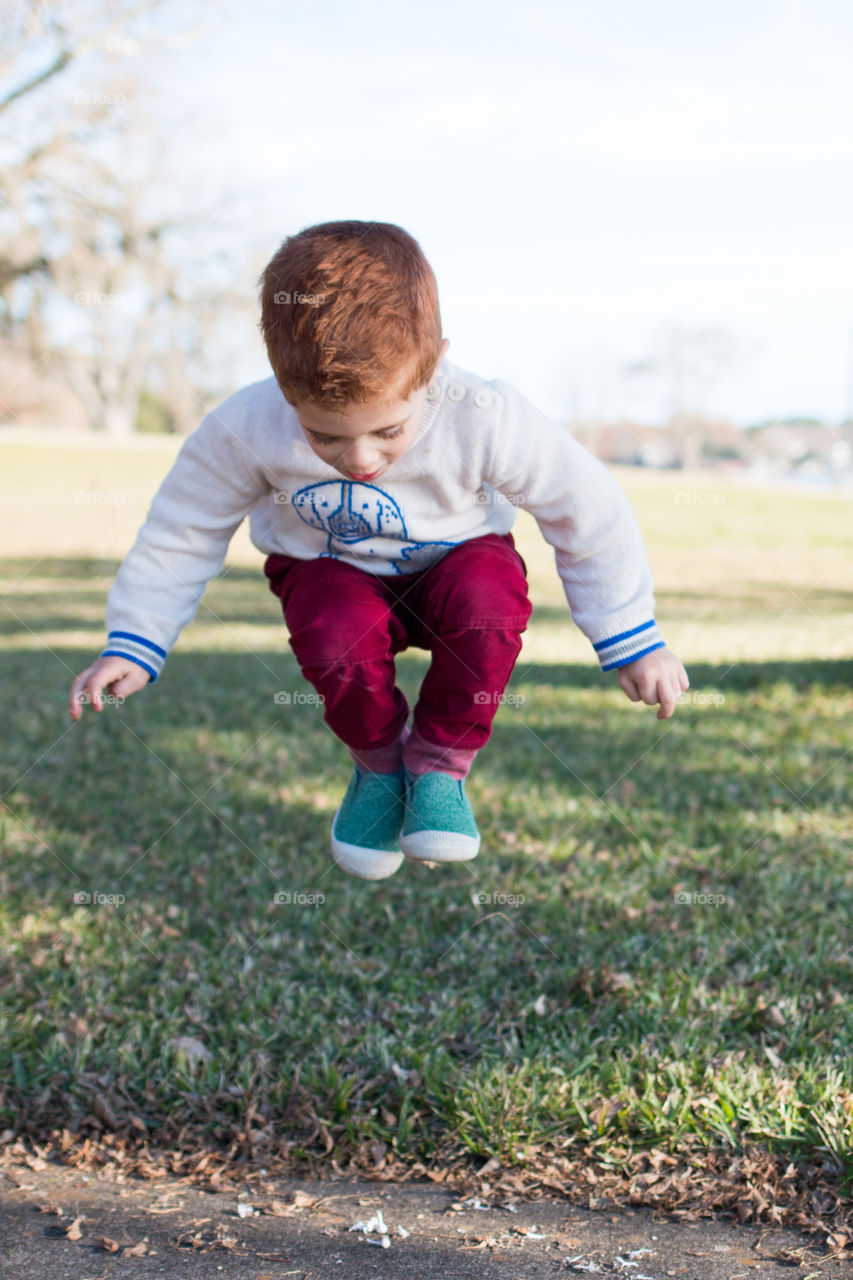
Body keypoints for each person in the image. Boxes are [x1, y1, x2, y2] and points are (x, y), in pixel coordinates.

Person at [68, 220, 689, 882]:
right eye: (324, 437)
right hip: (331, 574)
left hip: (456, 564)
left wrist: (629, 635)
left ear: (434, 360)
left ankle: (439, 766)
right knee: (334, 629)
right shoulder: (245, 427)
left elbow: (585, 506)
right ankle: (379, 765)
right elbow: (182, 528)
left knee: (487, 597)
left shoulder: (483, 414)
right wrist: (134, 640)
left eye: (388, 430)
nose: (359, 459)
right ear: (282, 382)